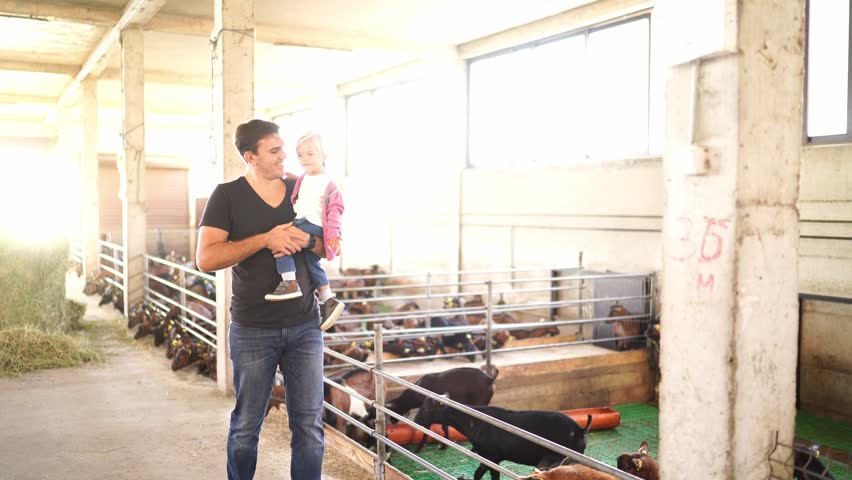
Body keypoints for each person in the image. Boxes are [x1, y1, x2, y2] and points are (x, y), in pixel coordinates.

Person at [195, 119, 326, 480]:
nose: (285, 156)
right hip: (253, 329)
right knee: (246, 426)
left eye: (283, 148)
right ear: (250, 157)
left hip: (305, 326)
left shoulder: (301, 188)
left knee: (309, 427)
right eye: (274, 150)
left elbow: (329, 245)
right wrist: (265, 239)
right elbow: (206, 258)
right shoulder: (227, 196)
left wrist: (308, 241)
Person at [265, 132, 344, 332]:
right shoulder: (304, 177)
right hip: (304, 220)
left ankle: (290, 282)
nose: (304, 159)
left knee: (281, 240)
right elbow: (303, 188)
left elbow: (335, 210)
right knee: (312, 263)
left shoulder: (329, 183)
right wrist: (292, 177)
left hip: (312, 224)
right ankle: (329, 300)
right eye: (300, 155)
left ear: (324, 155)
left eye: (310, 154)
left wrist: (334, 235)